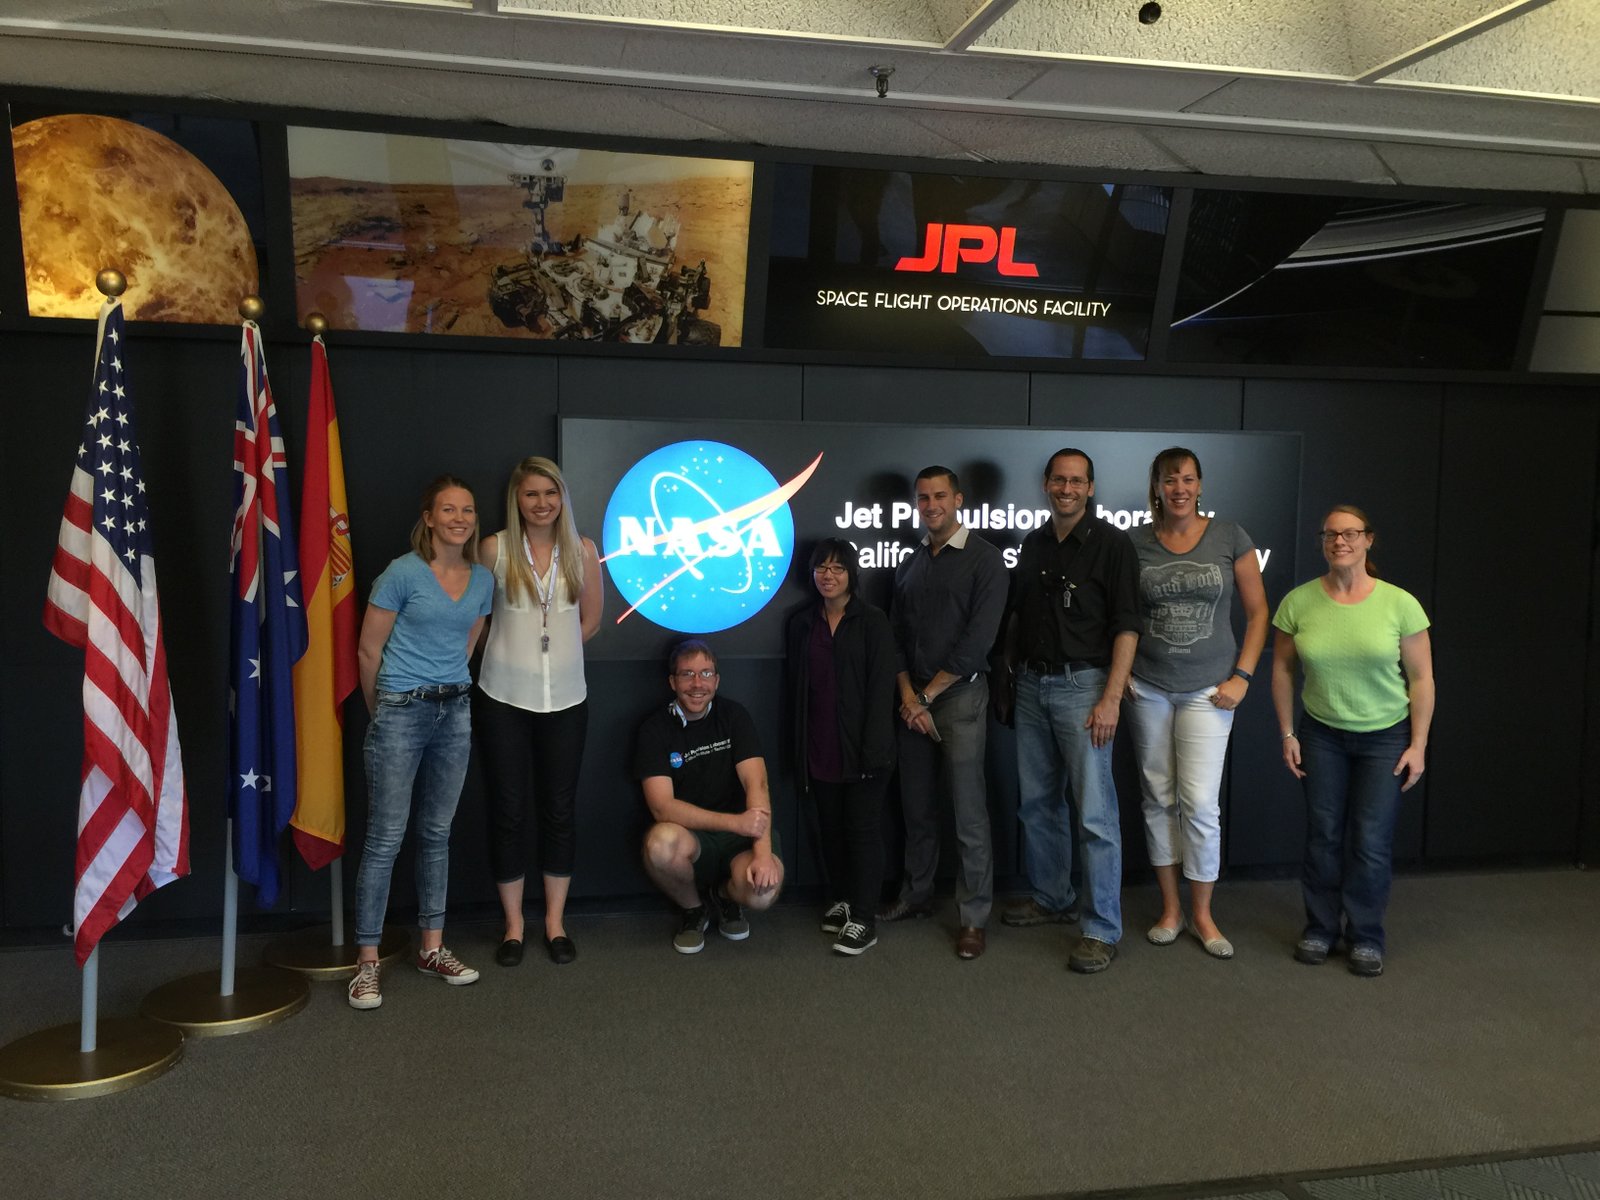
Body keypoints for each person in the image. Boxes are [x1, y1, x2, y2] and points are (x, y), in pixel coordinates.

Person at [348, 476, 494, 1010]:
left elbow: (468, 644)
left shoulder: (482, 580)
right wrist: (386, 711)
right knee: (386, 837)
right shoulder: (401, 573)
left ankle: (432, 948)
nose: (459, 518)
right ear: (428, 518)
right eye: (448, 510)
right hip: (402, 711)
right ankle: (366, 963)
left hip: (456, 711)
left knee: (437, 832)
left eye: (468, 511)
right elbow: (368, 652)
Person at [1271, 505, 1434, 978]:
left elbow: (1422, 679)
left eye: (1350, 533)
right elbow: (1281, 670)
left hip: (1386, 737)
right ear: (1323, 542)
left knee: (1370, 840)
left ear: (1368, 540)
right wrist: (1287, 732)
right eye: (1331, 534)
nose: (1339, 541)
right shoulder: (1298, 603)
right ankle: (1320, 928)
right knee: (1323, 837)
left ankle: (1365, 936)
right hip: (1321, 734)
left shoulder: (1399, 604)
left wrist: (1418, 744)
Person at [1124, 447, 1268, 959]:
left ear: (1200, 485)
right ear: (1157, 487)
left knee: (1201, 805)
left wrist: (1243, 677)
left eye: (1187, 479)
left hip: (1210, 690)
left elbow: (1257, 614)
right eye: (1169, 480)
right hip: (1149, 687)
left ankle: (1204, 914)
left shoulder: (1230, 536)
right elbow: (1121, 615)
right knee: (1157, 797)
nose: (1179, 488)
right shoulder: (1135, 542)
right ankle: (1171, 909)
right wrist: (1123, 676)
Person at [1003, 448, 1139, 974]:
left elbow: (1128, 624)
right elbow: (1020, 615)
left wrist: (1111, 697)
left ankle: (1102, 928)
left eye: (1076, 481)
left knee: (1095, 815)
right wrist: (1011, 676)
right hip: (1034, 687)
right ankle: (1053, 897)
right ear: (1045, 484)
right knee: (1038, 804)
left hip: (1086, 688)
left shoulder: (1112, 544)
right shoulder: (1034, 543)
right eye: (1059, 480)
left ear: (1090, 486)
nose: (1067, 488)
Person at [475, 456, 603, 968]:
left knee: (560, 811)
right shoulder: (494, 549)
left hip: (567, 699)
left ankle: (554, 923)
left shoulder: (584, 550)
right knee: (507, 812)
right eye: (532, 494)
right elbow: (477, 620)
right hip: (502, 697)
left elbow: (590, 620)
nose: (542, 503)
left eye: (550, 493)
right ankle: (513, 926)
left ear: (562, 497)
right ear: (517, 499)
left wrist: (554, 653)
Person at [882, 466, 1008, 960]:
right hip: (913, 703)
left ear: (958, 499)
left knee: (969, 814)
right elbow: (893, 636)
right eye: (922, 497)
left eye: (940, 495)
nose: (931, 504)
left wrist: (927, 697)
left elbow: (977, 644)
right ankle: (916, 895)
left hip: (958, 701)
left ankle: (973, 918)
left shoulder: (985, 561)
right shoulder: (912, 563)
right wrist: (909, 698)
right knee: (917, 808)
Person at [636, 640, 785, 954]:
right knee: (659, 845)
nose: (697, 683)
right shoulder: (654, 729)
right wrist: (735, 822)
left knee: (764, 893)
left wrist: (761, 854)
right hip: (693, 838)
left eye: (705, 673)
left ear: (717, 680)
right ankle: (694, 908)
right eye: (687, 674)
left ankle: (725, 897)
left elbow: (757, 785)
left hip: (741, 839)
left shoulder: (734, 716)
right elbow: (662, 807)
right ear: (672, 682)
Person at [785, 538, 897, 956]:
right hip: (819, 747)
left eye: (838, 569)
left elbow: (881, 688)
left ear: (852, 574)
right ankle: (843, 901)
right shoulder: (800, 623)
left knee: (863, 831)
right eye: (821, 569)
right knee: (830, 831)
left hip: (866, 750)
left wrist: (874, 750)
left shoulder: (873, 621)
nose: (828, 576)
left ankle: (865, 919)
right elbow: (795, 692)